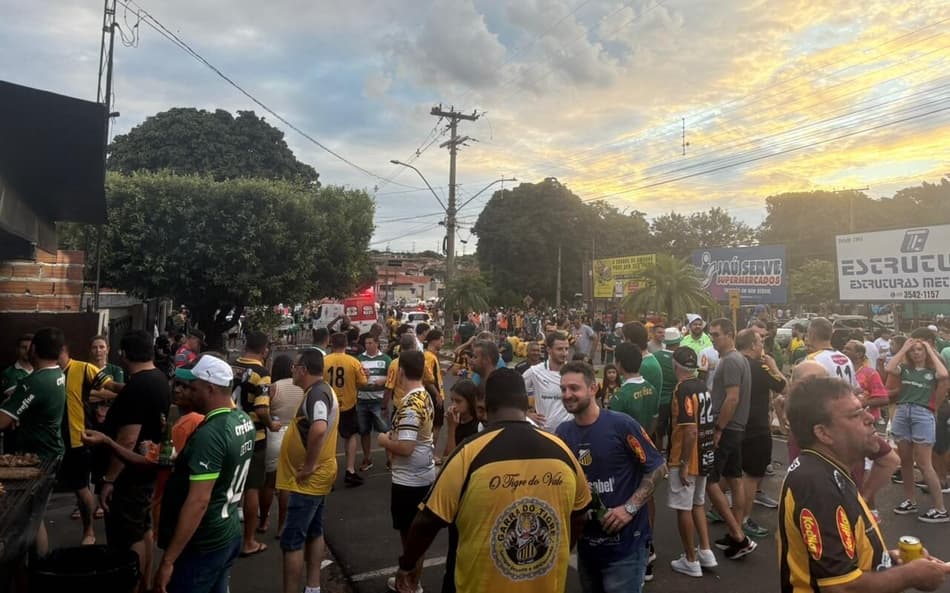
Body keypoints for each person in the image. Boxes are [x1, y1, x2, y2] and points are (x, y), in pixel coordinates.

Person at [392, 368, 591, 593]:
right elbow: (580, 515)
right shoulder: (562, 451)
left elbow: (427, 521)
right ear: (525, 403)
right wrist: (558, 550)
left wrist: (407, 564)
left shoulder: (469, 453)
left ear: (487, 405)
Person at [780, 376, 950, 593]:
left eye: (865, 410)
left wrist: (890, 559)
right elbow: (841, 587)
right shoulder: (815, 484)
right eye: (855, 415)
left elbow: (845, 553)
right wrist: (911, 575)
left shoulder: (830, 469)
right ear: (823, 433)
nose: (870, 418)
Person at [557, 361, 665, 593]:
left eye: (574, 388)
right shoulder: (563, 433)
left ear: (593, 388)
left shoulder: (621, 425)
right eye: (563, 389)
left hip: (625, 549)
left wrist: (629, 508)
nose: (567, 394)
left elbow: (657, 467)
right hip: (587, 548)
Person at [156, 355, 256, 593]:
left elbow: (199, 501)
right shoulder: (242, 419)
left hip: (204, 542)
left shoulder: (212, 433)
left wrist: (168, 560)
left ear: (210, 389)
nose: (188, 392)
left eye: (194, 388)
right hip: (228, 530)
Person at [99, 330, 170, 590]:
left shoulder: (139, 386)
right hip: (147, 468)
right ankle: (144, 585)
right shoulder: (158, 378)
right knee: (142, 528)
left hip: (129, 474)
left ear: (124, 354)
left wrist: (109, 479)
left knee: (129, 535)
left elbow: (128, 439)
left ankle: (133, 584)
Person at [278, 349, 340, 593]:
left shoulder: (317, 394)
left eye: (294, 367)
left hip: (309, 480)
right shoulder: (318, 391)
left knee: (292, 541)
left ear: (303, 369)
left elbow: (319, 428)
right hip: (315, 475)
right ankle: (313, 587)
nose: (292, 371)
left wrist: (310, 465)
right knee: (314, 531)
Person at [377, 351, 436, 592]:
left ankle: (409, 584)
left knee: (410, 540)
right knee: (417, 538)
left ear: (400, 371)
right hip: (422, 474)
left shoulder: (410, 404)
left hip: (409, 480)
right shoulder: (424, 395)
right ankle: (413, 582)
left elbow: (406, 447)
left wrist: (384, 440)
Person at [705, 318, 757, 560]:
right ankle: (735, 533)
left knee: (709, 480)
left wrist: (718, 428)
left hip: (728, 428)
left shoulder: (731, 361)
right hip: (736, 428)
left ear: (729, 334)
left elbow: (732, 398)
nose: (713, 339)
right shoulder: (736, 359)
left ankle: (738, 535)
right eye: (711, 335)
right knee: (735, 479)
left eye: (717, 334)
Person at [59, 342, 120, 545]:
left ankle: (89, 528)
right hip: (54, 441)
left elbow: (113, 388)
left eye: (101, 347)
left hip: (82, 436)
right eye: (94, 347)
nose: (98, 351)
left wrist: (139, 387)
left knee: (84, 483)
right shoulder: (46, 373)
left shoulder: (86, 369)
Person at [886, 336, 949, 522]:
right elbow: (889, 368)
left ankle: (940, 509)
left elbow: (944, 374)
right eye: (913, 350)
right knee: (905, 461)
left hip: (922, 414)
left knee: (924, 463)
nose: (916, 353)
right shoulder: (905, 369)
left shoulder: (932, 371)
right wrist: (904, 348)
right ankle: (910, 500)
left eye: (920, 350)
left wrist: (929, 350)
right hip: (903, 412)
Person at [667, 346, 717, 577]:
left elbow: (689, 430)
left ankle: (690, 558)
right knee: (698, 504)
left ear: (675, 365)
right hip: (705, 452)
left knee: (683, 508)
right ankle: (705, 550)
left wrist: (684, 462)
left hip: (688, 456)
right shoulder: (702, 386)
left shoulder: (682, 389)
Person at [735, 328, 787, 539]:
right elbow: (783, 386)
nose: (762, 347)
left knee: (733, 473)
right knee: (752, 476)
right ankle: (743, 520)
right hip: (756, 427)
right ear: (752, 345)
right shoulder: (760, 367)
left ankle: (718, 509)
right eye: (760, 343)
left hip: (735, 425)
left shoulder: (731, 362)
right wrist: (774, 367)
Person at [231, 330, 275, 556]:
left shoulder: (232, 366)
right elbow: (261, 408)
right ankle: (248, 540)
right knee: (252, 488)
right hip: (252, 435)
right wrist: (271, 424)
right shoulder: (262, 373)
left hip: (229, 428)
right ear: (264, 350)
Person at [262, 354, 305, 536]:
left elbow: (263, 409)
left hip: (274, 434)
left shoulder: (273, 387)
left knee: (269, 483)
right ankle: (282, 526)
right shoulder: (301, 388)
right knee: (287, 484)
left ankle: (263, 521)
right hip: (293, 434)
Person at [324, 332, 370, 486]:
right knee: (350, 436)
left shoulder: (324, 361)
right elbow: (363, 382)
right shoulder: (353, 362)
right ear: (346, 345)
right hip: (348, 404)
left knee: (328, 439)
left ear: (331, 344)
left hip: (328, 404)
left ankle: (327, 474)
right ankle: (350, 470)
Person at [524, 331, 573, 431]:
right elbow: (513, 393)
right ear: (549, 350)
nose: (564, 353)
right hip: (544, 432)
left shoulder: (574, 372)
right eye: (560, 349)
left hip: (569, 432)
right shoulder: (535, 371)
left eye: (566, 349)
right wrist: (526, 414)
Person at [357, 334, 392, 471]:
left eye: (370, 343)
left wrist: (384, 380)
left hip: (379, 400)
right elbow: (354, 377)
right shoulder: (359, 359)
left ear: (377, 343)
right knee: (364, 431)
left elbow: (392, 377)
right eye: (366, 343)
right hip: (362, 400)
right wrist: (362, 376)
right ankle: (367, 458)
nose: (368, 345)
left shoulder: (386, 359)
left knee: (385, 431)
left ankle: (390, 459)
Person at [653, 327, 682, 451]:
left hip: (659, 401)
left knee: (659, 432)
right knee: (674, 431)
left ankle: (658, 455)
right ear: (678, 342)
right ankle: (671, 455)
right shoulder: (679, 359)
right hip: (675, 400)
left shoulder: (654, 356)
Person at [423, 329, 446, 463]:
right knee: (435, 426)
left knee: (436, 425)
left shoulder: (432, 356)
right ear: (433, 341)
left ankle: (430, 454)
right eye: (441, 341)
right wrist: (437, 395)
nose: (442, 343)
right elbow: (427, 379)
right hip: (433, 396)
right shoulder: (429, 357)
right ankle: (430, 455)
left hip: (436, 394)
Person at [442, 379, 480, 457]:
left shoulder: (477, 427)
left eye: (458, 401)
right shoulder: (457, 420)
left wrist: (451, 428)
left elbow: (452, 458)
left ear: (470, 401)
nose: (453, 405)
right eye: (452, 400)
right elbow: (445, 455)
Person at [1, 333, 33, 398]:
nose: (28, 351)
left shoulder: (42, 370)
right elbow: (16, 399)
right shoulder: (8, 373)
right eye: (24, 347)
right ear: (17, 349)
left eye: (31, 348)